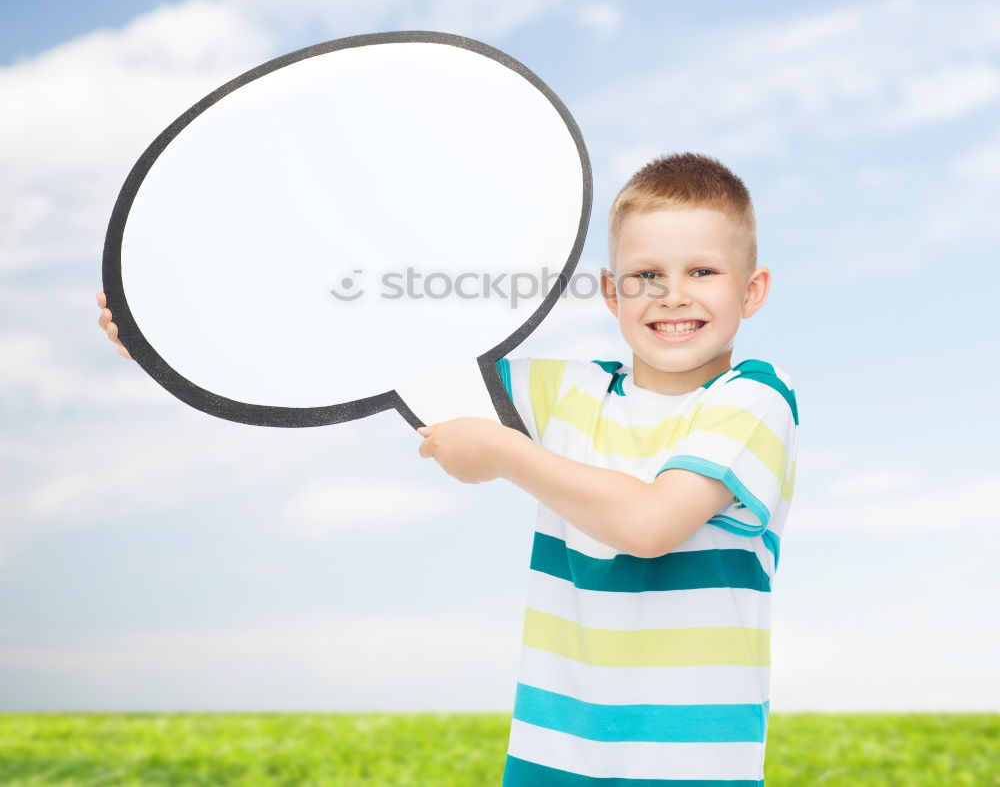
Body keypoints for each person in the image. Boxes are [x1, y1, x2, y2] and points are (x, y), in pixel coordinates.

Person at [97, 150, 798, 787]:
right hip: (550, 760)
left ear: (752, 290)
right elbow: (377, 353)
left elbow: (650, 523)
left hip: (694, 769)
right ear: (612, 295)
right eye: (647, 276)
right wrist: (177, 330)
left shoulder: (755, 401)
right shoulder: (569, 391)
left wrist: (506, 454)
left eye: (702, 271)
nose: (673, 295)